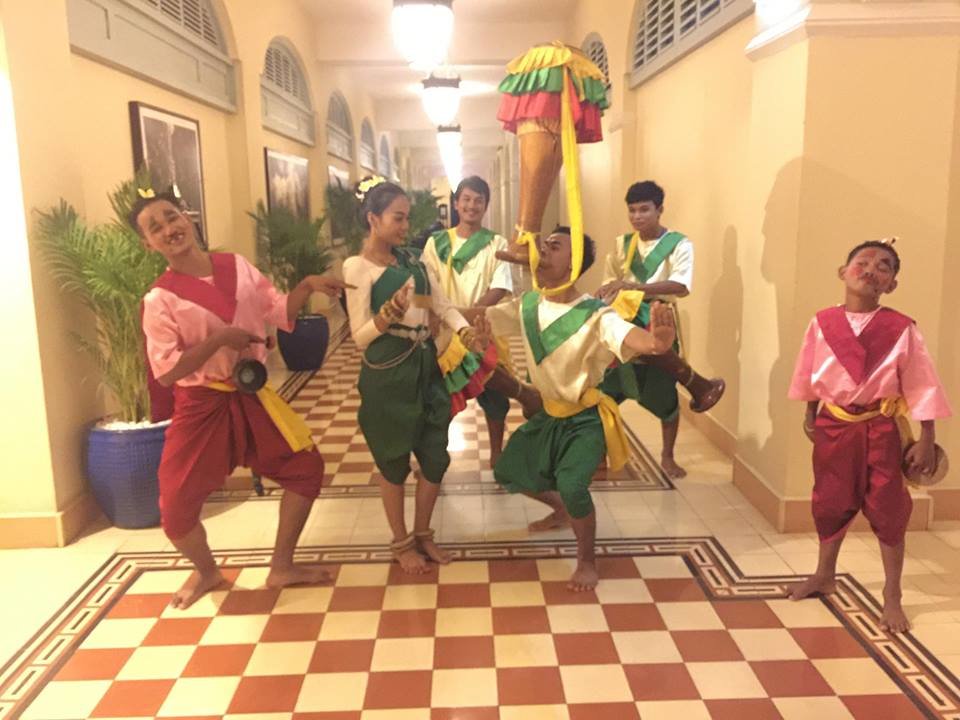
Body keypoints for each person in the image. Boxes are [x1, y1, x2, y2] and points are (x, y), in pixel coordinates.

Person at [136, 191, 347, 610]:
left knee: (306, 468)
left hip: (252, 396)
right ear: (148, 244)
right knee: (175, 507)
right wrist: (218, 341)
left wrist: (307, 286)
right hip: (201, 405)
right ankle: (207, 572)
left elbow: (278, 311)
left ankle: (282, 566)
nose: (169, 229)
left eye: (172, 217)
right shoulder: (159, 299)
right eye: (155, 228)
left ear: (188, 218)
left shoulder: (236, 266)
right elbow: (166, 371)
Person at [473, 227, 676, 591]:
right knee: (507, 471)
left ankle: (586, 561)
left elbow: (633, 338)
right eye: (543, 246)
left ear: (574, 263)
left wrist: (656, 344)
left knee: (573, 485)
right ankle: (563, 510)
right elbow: (482, 316)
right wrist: (437, 311)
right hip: (548, 414)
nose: (543, 252)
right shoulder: (528, 305)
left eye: (554, 247)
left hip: (584, 419)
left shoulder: (596, 314)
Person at [787, 239, 951, 633]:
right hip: (834, 425)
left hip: (881, 428)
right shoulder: (821, 322)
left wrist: (926, 436)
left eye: (884, 266)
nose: (871, 270)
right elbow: (809, 371)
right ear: (843, 272)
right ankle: (824, 574)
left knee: (889, 507)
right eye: (862, 261)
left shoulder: (901, 328)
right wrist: (810, 414)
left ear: (891, 284)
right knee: (829, 499)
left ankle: (892, 595)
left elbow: (921, 382)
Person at [343, 178, 477, 574]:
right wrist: (385, 318)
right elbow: (359, 337)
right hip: (387, 371)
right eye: (397, 218)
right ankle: (401, 542)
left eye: (407, 218)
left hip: (424, 365)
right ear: (373, 219)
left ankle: (423, 533)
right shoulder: (357, 268)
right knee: (393, 458)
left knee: (435, 455)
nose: (405, 226)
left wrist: (465, 331)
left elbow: (439, 305)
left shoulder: (413, 262)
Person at [598, 180, 703, 479]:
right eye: (632, 210)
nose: (637, 216)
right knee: (606, 388)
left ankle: (668, 456)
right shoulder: (622, 244)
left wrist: (635, 288)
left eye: (644, 209)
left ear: (660, 210)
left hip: (658, 319)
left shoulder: (679, 244)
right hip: (623, 323)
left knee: (664, 389)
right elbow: (611, 283)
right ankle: (599, 452)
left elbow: (680, 286)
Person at [421, 176, 517, 465]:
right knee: (443, 399)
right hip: (445, 335)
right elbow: (426, 285)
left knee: (495, 396)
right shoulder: (436, 243)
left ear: (486, 206)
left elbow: (500, 286)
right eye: (466, 199)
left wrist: (473, 315)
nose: (471, 205)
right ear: (455, 203)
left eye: (478, 200)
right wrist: (442, 317)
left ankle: (497, 453)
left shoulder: (496, 243)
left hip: (485, 329)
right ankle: (435, 456)